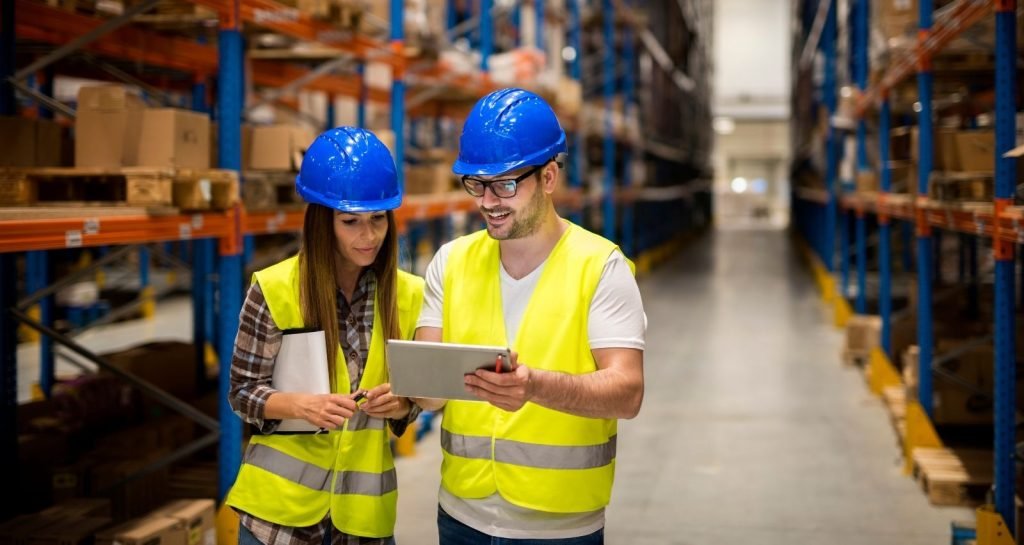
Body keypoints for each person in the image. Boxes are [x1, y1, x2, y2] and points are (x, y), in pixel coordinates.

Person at [414, 88, 647, 544]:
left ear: (549, 177)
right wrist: (406, 390)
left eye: (506, 184)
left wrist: (535, 386)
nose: (488, 201)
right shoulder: (451, 261)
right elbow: (429, 394)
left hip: (560, 525)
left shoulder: (601, 267)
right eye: (477, 184)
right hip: (461, 515)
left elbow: (627, 393)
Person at [226, 127, 424, 545]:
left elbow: (417, 399)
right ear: (322, 221)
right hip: (278, 518)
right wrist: (301, 406)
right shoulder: (275, 288)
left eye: (377, 220)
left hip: (363, 519)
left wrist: (402, 404)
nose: (368, 236)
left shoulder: (409, 296)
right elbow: (242, 393)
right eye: (350, 222)